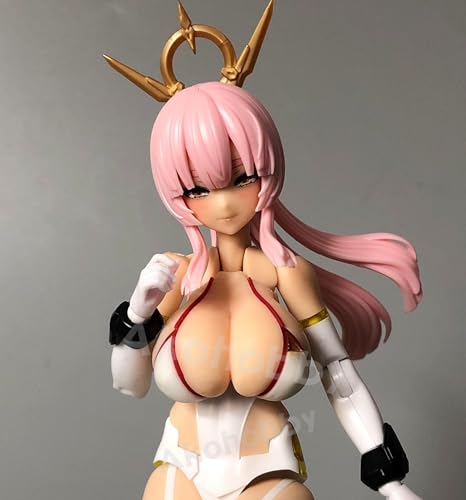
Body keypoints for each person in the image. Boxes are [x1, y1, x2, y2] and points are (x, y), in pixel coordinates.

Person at [105, 3, 423, 499]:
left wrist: (389, 480)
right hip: (177, 476)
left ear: (266, 167)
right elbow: (130, 385)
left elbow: (339, 375)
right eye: (198, 188)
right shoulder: (179, 277)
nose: (224, 203)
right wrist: (136, 314)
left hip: (268, 478)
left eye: (241, 178)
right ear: (177, 193)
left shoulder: (285, 274)